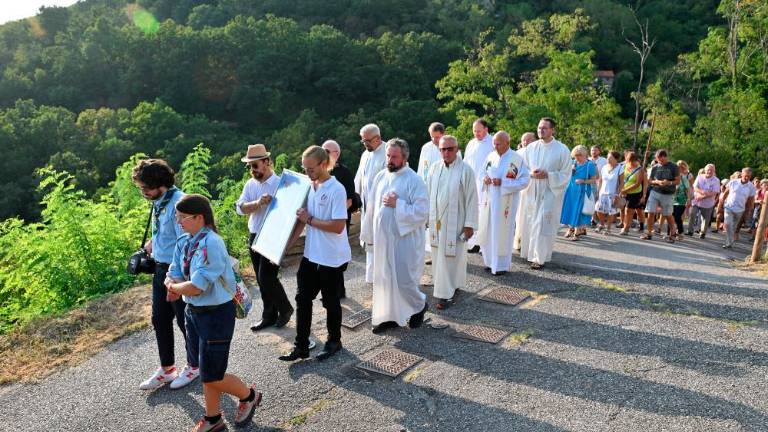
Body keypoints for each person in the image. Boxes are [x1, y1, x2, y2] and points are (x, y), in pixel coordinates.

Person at [165, 194, 260, 431]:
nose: (179, 223)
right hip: (193, 313)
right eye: (177, 218)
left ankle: (249, 396)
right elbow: (174, 269)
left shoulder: (212, 243)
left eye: (182, 218)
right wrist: (173, 282)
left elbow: (197, 287)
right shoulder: (184, 241)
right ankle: (212, 418)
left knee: (212, 374)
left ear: (199, 217)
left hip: (215, 315)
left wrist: (174, 287)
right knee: (205, 368)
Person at [279, 146, 351, 362]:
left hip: (332, 256)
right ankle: (301, 345)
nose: (307, 172)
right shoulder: (310, 186)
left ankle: (334, 341)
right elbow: (301, 222)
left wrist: (309, 219)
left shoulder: (336, 189)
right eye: (305, 168)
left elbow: (338, 226)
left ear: (323, 164)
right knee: (302, 298)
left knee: (330, 301)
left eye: (310, 169)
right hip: (311, 254)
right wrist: (285, 248)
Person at [132, 159, 198, 391]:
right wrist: (147, 248)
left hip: (176, 271)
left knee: (185, 321)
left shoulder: (180, 203)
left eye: (145, 188)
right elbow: (164, 234)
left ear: (159, 184)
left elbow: (187, 241)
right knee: (159, 320)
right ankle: (167, 368)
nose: (143, 192)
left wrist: (178, 276)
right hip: (160, 269)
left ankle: (194, 365)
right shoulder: (160, 201)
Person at [360, 138, 429, 333]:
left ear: (405, 158)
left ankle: (419, 305)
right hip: (383, 240)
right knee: (384, 278)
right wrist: (369, 235)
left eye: (394, 157)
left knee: (403, 280)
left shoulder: (414, 180)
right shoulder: (381, 176)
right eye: (388, 156)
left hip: (404, 241)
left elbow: (422, 211)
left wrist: (398, 204)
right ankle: (388, 317)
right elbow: (372, 207)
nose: (389, 160)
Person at [235, 144, 293, 332]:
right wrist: (257, 203)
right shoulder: (250, 184)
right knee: (262, 281)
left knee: (266, 277)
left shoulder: (281, 184)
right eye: (250, 166)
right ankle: (268, 316)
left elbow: (289, 212)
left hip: (274, 236)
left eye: (255, 165)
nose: (252, 170)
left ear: (267, 162)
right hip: (255, 235)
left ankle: (285, 309)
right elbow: (240, 208)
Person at [425, 135, 478, 309]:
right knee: (439, 258)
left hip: (456, 222)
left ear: (457, 149)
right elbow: (428, 194)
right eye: (442, 149)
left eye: (450, 149)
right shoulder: (434, 168)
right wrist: (426, 217)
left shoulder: (465, 170)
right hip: (437, 222)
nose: (446, 152)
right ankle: (447, 286)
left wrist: (470, 224)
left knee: (452, 258)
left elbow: (472, 199)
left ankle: (445, 295)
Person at [518, 118, 572, 269]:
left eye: (545, 128)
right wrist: (531, 173)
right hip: (532, 190)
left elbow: (566, 173)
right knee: (530, 222)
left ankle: (539, 257)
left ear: (552, 130)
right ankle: (529, 253)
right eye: (539, 128)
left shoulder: (562, 149)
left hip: (549, 192)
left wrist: (549, 175)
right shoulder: (531, 147)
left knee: (543, 224)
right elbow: (522, 168)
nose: (541, 131)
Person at [476, 131, 530, 275]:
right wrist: (485, 180)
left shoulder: (516, 159)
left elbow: (525, 180)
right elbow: (481, 173)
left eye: (498, 143)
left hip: (505, 202)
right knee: (488, 231)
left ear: (507, 143)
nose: (495, 146)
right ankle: (488, 262)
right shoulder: (491, 156)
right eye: (494, 143)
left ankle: (500, 266)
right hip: (489, 201)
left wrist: (503, 182)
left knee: (502, 232)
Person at [322, 139, 359, 299]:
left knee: (337, 255)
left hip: (339, 220)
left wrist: (333, 216)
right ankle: (333, 290)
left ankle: (337, 290)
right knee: (326, 256)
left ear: (337, 154)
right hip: (323, 220)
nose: (324, 153)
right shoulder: (319, 170)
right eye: (322, 150)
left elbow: (350, 200)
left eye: (327, 151)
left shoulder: (344, 172)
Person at [355, 124, 387, 284]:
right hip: (367, 207)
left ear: (378, 138)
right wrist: (356, 199)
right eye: (363, 141)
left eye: (367, 140)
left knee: (382, 243)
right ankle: (372, 277)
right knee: (371, 242)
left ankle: (382, 277)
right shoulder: (365, 155)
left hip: (382, 208)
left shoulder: (388, 153)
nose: (365, 144)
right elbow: (359, 178)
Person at [462, 118, 494, 253]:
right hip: (471, 182)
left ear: (486, 129)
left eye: (479, 131)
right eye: (474, 131)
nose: (476, 134)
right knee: (471, 211)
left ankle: (483, 243)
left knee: (484, 213)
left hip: (486, 184)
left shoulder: (492, 143)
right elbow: (465, 161)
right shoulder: (471, 143)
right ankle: (472, 241)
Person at [641, 149, 680, 243]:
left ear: (665, 157)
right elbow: (649, 180)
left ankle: (673, 234)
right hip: (655, 192)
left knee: (667, 215)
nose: (660, 162)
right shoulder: (655, 167)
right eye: (658, 160)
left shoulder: (674, 166)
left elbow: (677, 181)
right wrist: (657, 182)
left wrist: (669, 182)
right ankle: (649, 233)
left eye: (661, 160)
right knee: (650, 212)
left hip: (668, 194)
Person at [560, 145, 598, 240]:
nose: (577, 157)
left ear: (585, 154)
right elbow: (566, 175)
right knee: (570, 209)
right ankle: (570, 228)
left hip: (582, 191)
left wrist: (583, 181)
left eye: (579, 155)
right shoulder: (573, 163)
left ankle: (577, 231)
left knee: (578, 211)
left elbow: (594, 179)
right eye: (575, 155)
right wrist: (570, 171)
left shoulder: (590, 165)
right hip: (571, 190)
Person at [719, 167, 757, 249]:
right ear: (742, 174)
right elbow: (726, 193)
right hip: (729, 207)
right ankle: (729, 243)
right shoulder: (733, 182)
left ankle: (729, 242)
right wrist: (721, 203)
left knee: (733, 227)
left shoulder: (751, 187)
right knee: (728, 224)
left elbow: (751, 201)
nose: (747, 178)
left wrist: (748, 211)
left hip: (740, 210)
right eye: (745, 176)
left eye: (749, 177)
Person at [513, 132, 537, 250]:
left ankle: (531, 244)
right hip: (521, 190)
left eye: (529, 140)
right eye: (524, 140)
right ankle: (518, 241)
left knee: (533, 217)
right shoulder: (517, 154)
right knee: (519, 216)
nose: (526, 142)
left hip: (536, 189)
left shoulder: (538, 152)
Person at [686, 164, 720, 239]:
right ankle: (690, 231)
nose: (709, 171)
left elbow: (714, 192)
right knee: (692, 214)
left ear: (714, 171)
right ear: (705, 170)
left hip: (707, 203)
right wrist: (702, 192)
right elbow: (695, 187)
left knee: (705, 219)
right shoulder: (700, 176)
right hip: (696, 200)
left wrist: (702, 196)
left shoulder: (716, 180)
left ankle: (703, 232)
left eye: (711, 170)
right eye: (708, 170)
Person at [594, 151, 623, 235]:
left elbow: (621, 183)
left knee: (611, 212)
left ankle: (608, 228)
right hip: (602, 193)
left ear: (616, 159)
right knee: (598, 210)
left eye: (610, 157)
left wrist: (617, 194)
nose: (608, 159)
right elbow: (601, 180)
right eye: (607, 157)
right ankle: (602, 224)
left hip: (612, 194)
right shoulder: (604, 167)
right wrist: (598, 192)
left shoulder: (620, 168)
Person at [619, 152, 646, 235]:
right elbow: (621, 178)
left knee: (630, 211)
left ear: (635, 160)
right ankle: (624, 224)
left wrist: (625, 190)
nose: (629, 162)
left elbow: (637, 183)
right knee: (623, 209)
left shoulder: (640, 169)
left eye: (631, 160)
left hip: (635, 193)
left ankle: (626, 228)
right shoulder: (625, 166)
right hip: (624, 192)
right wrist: (621, 190)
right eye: (628, 160)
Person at [671, 160, 692, 240]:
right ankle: (671, 234)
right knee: (671, 217)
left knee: (677, 217)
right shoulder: (672, 178)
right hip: (672, 200)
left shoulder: (684, 178)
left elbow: (687, 190)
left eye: (681, 169)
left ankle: (680, 233)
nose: (679, 170)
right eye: (678, 169)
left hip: (681, 200)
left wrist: (689, 199)